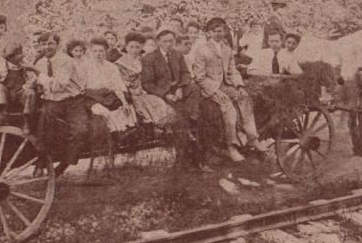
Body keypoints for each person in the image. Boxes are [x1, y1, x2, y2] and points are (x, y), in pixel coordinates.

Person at [192, 17, 268, 162]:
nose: (219, 34)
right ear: (209, 33)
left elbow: (232, 71)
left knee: (245, 98)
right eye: (215, 31)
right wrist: (215, 90)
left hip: (226, 85)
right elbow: (200, 77)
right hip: (210, 87)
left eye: (221, 31)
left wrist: (239, 85)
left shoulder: (227, 50)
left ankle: (253, 138)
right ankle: (231, 146)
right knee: (228, 107)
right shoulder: (202, 51)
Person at [142, 27, 209, 171]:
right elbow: (147, 84)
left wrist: (180, 87)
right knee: (178, 117)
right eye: (165, 41)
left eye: (171, 41)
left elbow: (185, 74)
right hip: (161, 94)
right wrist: (166, 94)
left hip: (178, 89)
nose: (168, 44)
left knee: (194, 88)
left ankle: (192, 116)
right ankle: (188, 151)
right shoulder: (149, 58)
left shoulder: (177, 55)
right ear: (158, 42)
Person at [34, 31, 89, 175]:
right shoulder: (39, 63)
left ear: (57, 45)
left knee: (80, 130)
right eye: (43, 44)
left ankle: (64, 164)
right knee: (44, 124)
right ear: (39, 46)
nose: (47, 47)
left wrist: (39, 76)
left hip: (72, 100)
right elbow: (38, 85)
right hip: (52, 100)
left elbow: (59, 86)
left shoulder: (65, 61)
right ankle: (41, 161)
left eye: (51, 43)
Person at [115, 32, 177, 128]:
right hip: (129, 94)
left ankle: (162, 129)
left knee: (159, 103)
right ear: (126, 47)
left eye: (137, 47)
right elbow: (118, 83)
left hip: (145, 91)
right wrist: (131, 90)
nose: (134, 50)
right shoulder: (119, 64)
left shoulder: (144, 60)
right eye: (131, 47)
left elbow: (148, 79)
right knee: (141, 109)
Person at [80, 37, 136, 133]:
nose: (98, 54)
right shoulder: (84, 67)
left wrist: (124, 102)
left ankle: (126, 129)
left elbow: (117, 84)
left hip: (109, 95)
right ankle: (115, 132)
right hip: (92, 96)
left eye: (101, 51)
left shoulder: (111, 67)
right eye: (95, 51)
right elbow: (81, 87)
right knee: (102, 111)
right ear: (90, 52)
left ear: (106, 51)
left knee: (125, 102)